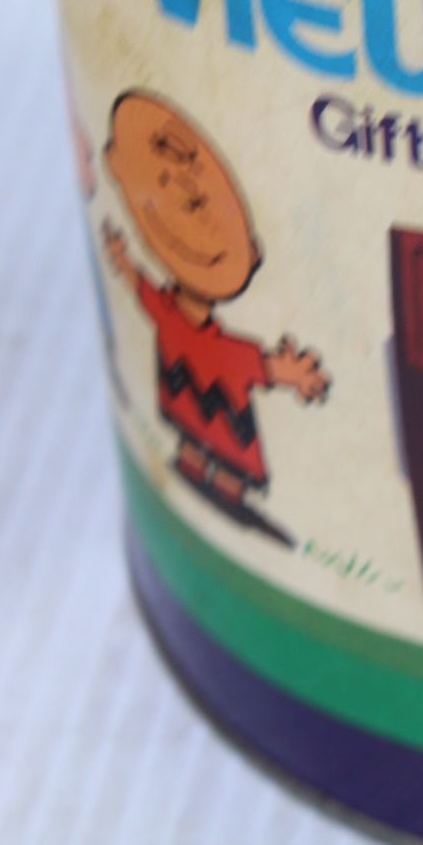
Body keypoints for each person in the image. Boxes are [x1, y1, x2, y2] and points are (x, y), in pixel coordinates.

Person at [102, 90, 329, 540]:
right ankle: (192, 468)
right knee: (190, 437)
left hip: (220, 413)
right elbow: (143, 290)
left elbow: (262, 366)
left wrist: (295, 373)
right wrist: (123, 261)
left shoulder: (220, 344)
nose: (183, 192)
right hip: (174, 445)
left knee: (228, 455)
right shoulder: (174, 317)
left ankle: (227, 488)